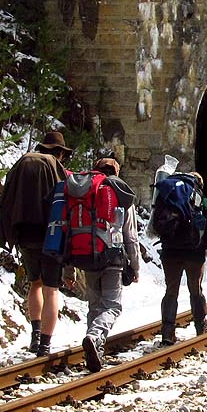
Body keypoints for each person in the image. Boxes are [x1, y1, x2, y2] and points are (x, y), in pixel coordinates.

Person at [0, 129, 72, 357]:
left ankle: (35, 334)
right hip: (50, 235)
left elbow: (6, 196)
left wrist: (9, 232)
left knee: (35, 284)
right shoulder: (54, 166)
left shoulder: (22, 162)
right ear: (59, 152)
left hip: (24, 234)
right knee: (51, 289)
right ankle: (45, 345)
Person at [80, 158, 141, 372]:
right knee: (112, 306)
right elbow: (130, 235)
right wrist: (135, 265)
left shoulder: (86, 190)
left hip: (86, 254)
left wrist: (69, 266)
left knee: (94, 305)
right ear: (116, 170)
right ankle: (95, 337)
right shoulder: (120, 192)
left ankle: (94, 348)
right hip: (112, 256)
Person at [156, 172, 207, 346]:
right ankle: (200, 327)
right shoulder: (202, 202)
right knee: (195, 290)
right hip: (194, 253)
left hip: (170, 252)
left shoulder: (168, 197)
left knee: (171, 291)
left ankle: (167, 332)